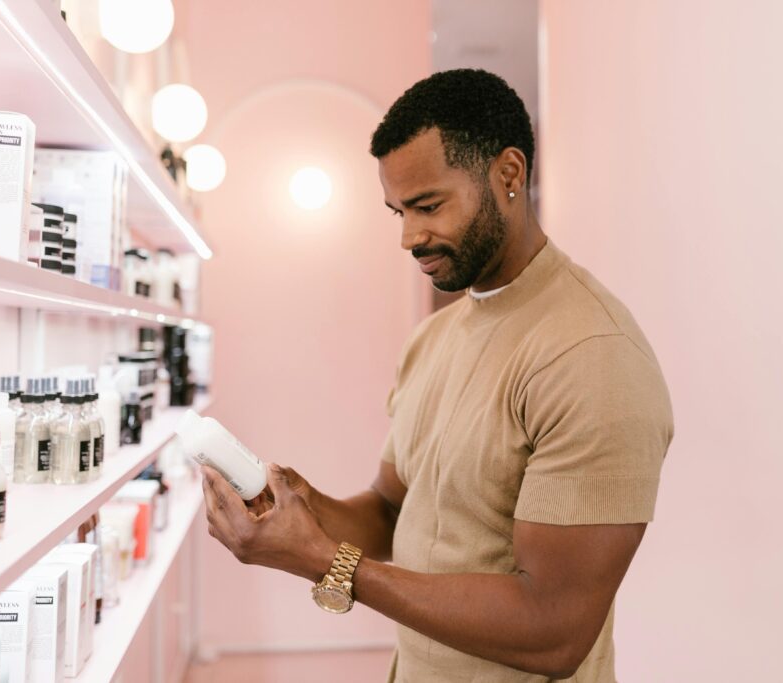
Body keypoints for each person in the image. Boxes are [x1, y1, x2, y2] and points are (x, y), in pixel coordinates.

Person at [201, 68, 674, 682]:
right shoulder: (433, 339)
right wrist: (298, 505)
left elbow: (554, 630)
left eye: (427, 206)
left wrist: (324, 561)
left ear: (508, 174)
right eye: (398, 210)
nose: (408, 236)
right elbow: (392, 512)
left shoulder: (591, 354)